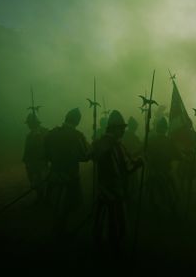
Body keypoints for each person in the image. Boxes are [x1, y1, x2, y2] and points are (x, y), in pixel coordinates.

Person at [92, 110, 142, 258]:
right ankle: (114, 251)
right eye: (121, 128)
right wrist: (139, 163)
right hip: (114, 190)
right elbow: (125, 169)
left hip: (102, 188)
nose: (123, 131)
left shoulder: (99, 143)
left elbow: (92, 157)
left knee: (99, 220)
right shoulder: (115, 145)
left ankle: (98, 244)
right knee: (119, 223)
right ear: (114, 128)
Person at [44, 108, 90, 237]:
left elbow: (45, 153)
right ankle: (61, 229)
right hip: (70, 175)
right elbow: (85, 156)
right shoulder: (77, 135)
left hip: (54, 173)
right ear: (77, 121)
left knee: (55, 203)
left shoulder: (52, 133)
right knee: (71, 204)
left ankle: (57, 227)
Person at [146, 117, 180, 215]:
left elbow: (145, 153)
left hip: (153, 172)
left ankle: (153, 210)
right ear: (165, 129)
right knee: (172, 194)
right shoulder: (169, 141)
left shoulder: (151, 140)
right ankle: (172, 210)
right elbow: (177, 156)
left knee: (151, 194)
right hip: (165, 172)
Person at [22, 113, 49, 205]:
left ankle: (45, 198)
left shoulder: (45, 132)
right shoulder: (29, 136)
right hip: (32, 163)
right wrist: (26, 161)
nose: (28, 125)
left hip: (42, 162)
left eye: (29, 123)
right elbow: (27, 150)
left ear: (34, 123)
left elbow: (49, 147)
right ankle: (39, 197)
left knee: (43, 180)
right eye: (28, 123)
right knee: (34, 182)